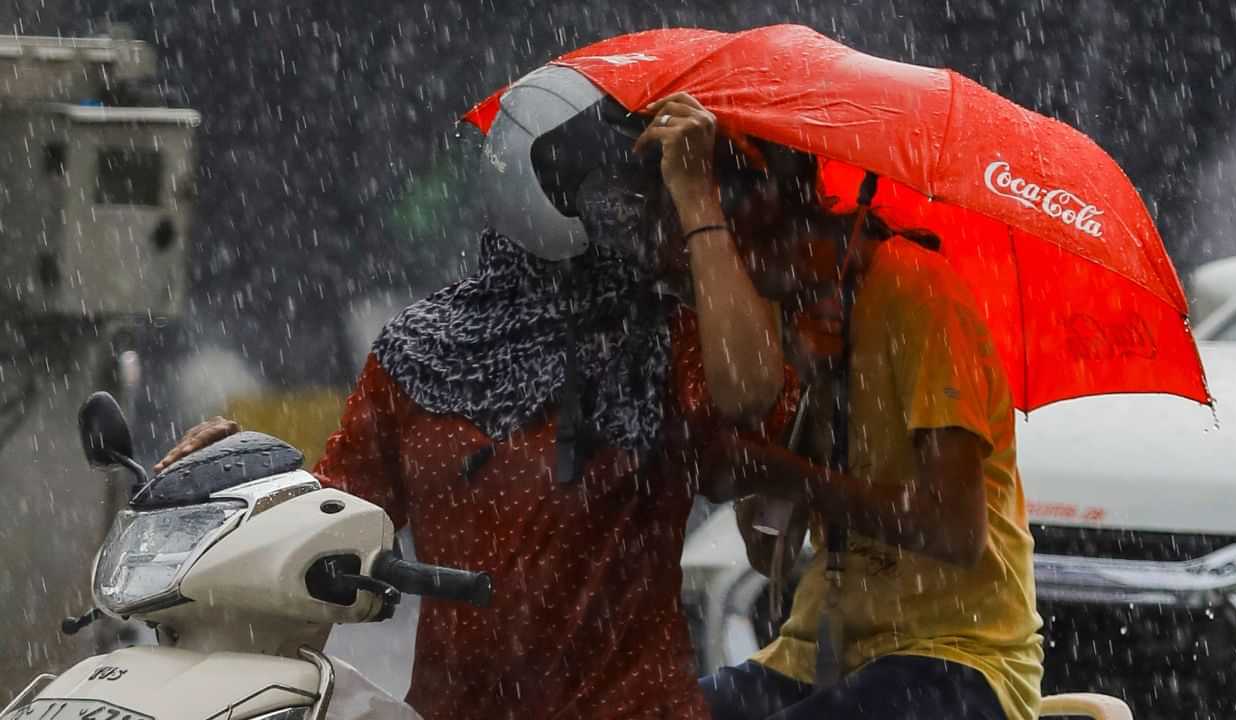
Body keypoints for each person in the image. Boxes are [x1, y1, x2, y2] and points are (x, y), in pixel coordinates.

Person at [154, 89, 797, 720]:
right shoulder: (417, 351)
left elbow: (752, 393)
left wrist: (700, 199)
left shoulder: (665, 337)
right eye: (618, 188)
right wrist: (245, 483)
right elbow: (333, 520)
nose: (641, 209)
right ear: (545, 192)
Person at [698, 151, 1043, 720]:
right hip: (816, 653)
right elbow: (770, 558)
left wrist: (786, 473)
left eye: (734, 255)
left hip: (953, 658)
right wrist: (765, 423)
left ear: (771, 221)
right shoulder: (784, 322)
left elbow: (956, 530)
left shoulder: (917, 293)